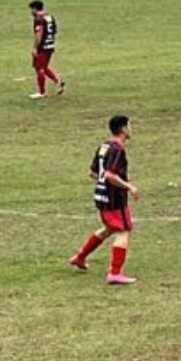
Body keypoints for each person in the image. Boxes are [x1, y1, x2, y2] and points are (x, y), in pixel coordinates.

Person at [70, 115, 139, 285]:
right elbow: (109, 175)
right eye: (129, 126)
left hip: (101, 195)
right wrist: (129, 186)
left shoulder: (104, 146)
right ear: (123, 129)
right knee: (124, 230)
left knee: (109, 228)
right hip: (114, 198)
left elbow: (93, 172)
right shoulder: (118, 149)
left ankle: (80, 257)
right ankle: (115, 273)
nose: (131, 129)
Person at [28, 0, 65, 99]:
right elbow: (54, 31)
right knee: (43, 66)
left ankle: (42, 92)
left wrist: (35, 47)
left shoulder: (38, 19)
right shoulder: (49, 17)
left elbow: (39, 33)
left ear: (35, 9)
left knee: (39, 69)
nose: (31, 12)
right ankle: (58, 80)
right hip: (50, 44)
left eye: (31, 10)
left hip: (42, 46)